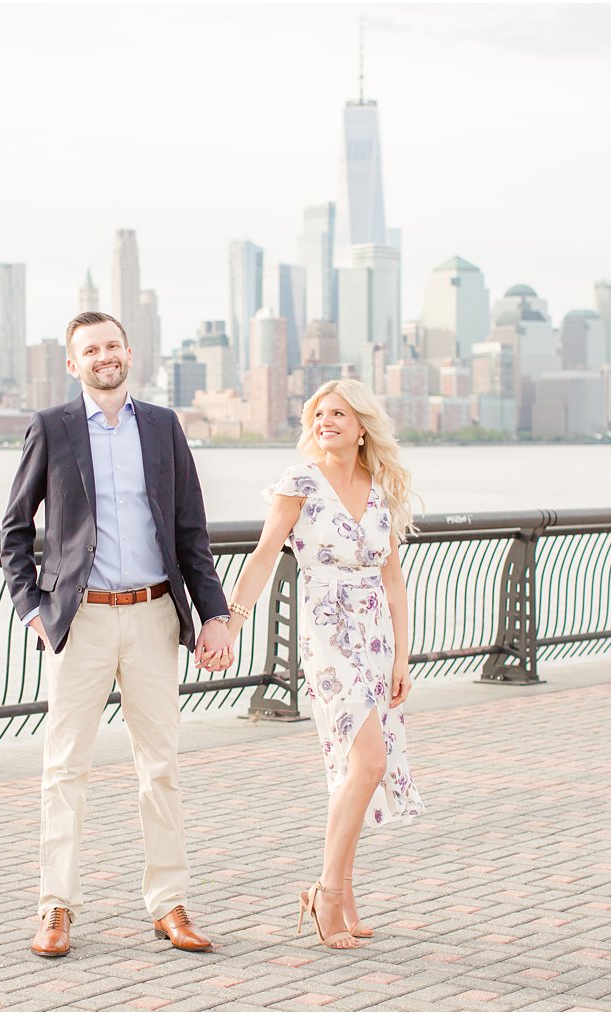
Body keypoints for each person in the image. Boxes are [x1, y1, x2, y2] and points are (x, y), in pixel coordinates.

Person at [0, 310, 234, 958]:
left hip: (157, 614)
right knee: (64, 767)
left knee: (160, 766)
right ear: (73, 363)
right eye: (90, 350)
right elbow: (15, 531)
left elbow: (192, 532)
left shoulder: (161, 426)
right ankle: (55, 908)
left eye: (112, 345)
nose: (104, 356)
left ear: (129, 352)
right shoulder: (51, 427)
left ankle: (169, 904)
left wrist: (212, 614)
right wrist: (34, 611)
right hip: (82, 621)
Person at [208, 378, 425, 949]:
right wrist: (232, 619)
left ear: (362, 429)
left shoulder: (379, 486)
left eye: (339, 414)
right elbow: (261, 556)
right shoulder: (300, 482)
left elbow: (393, 578)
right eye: (319, 414)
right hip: (330, 634)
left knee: (354, 769)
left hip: (377, 638)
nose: (326, 422)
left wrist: (403, 656)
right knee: (369, 763)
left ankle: (343, 892)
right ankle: (327, 895)